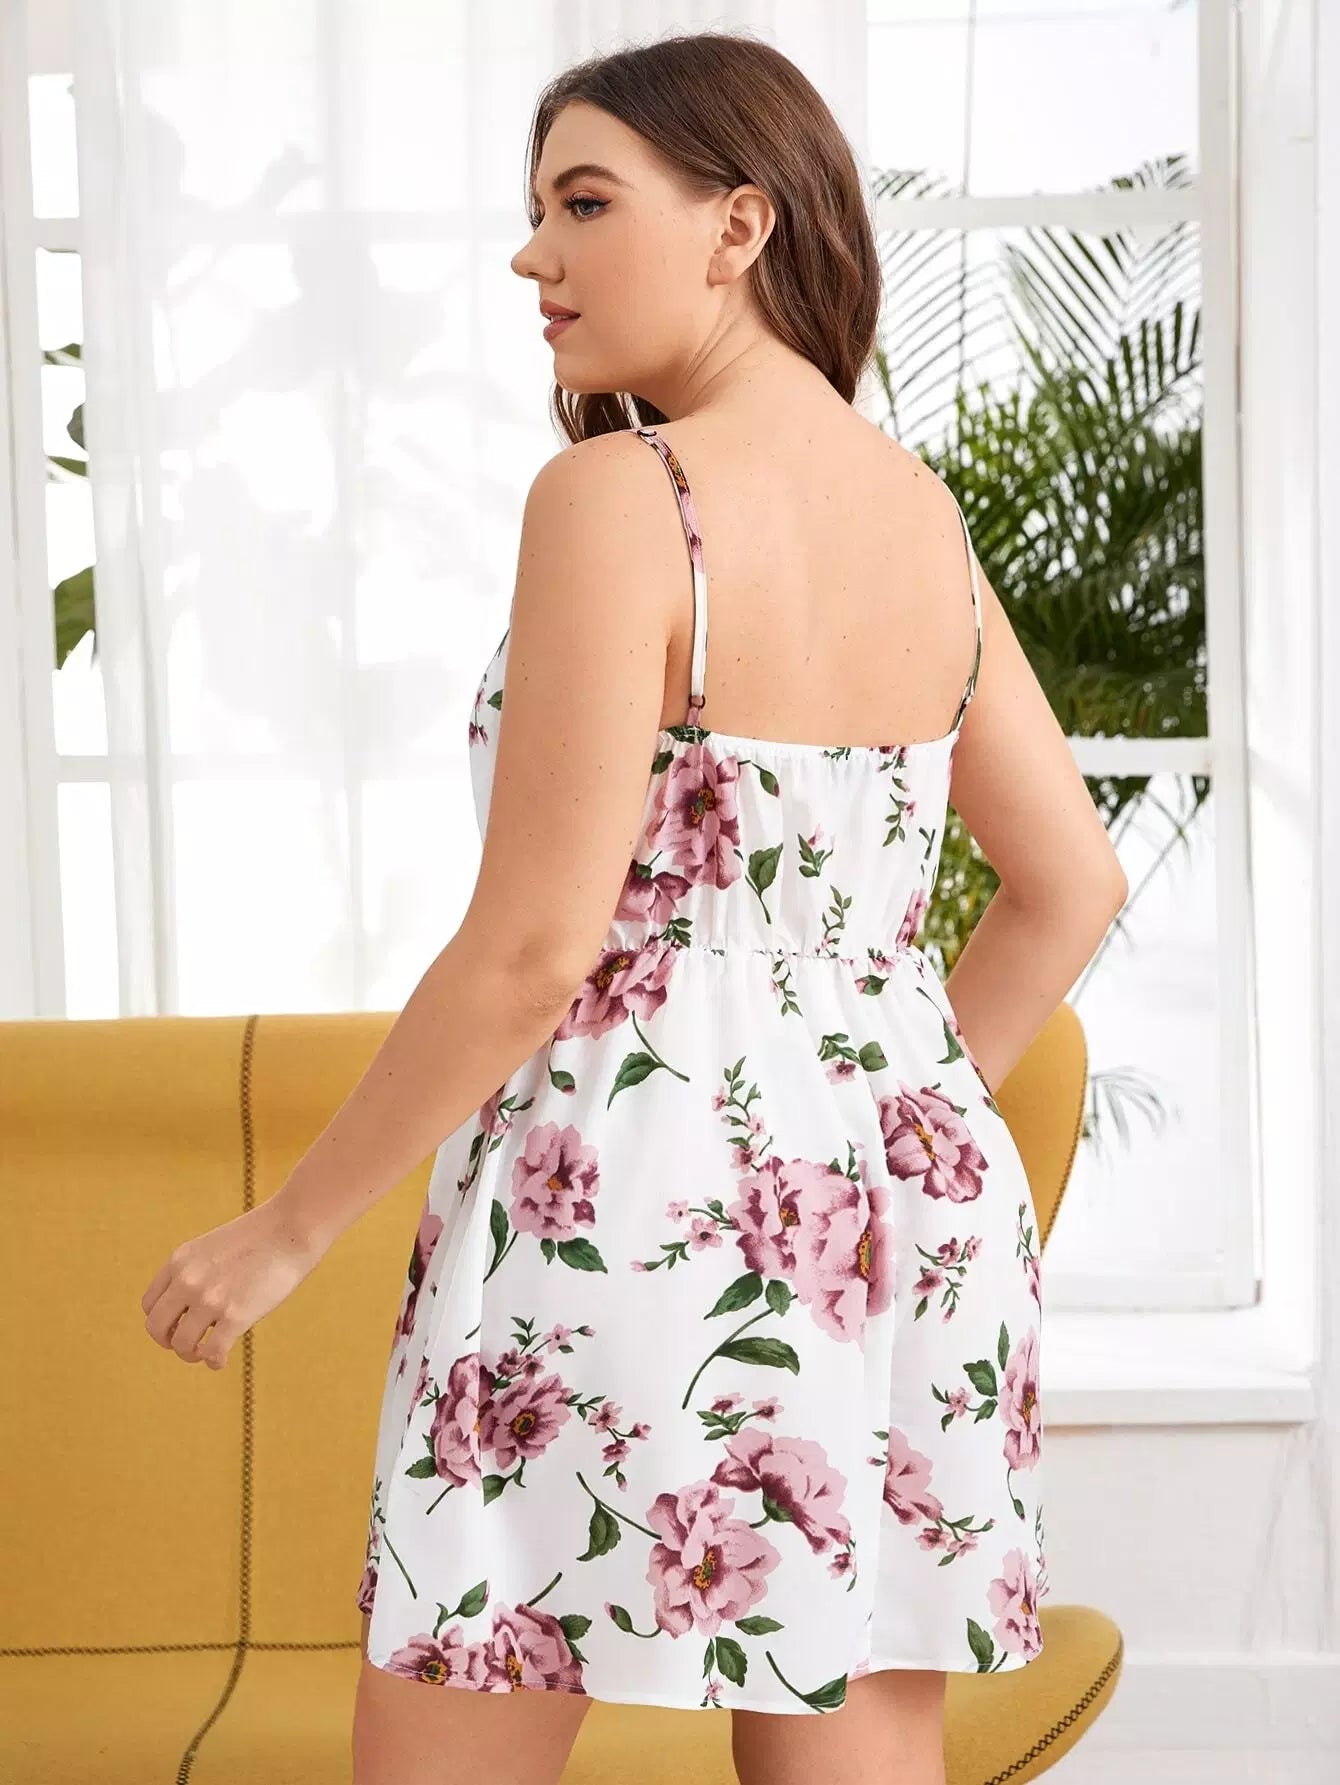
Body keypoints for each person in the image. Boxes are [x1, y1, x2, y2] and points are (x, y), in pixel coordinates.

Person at [140, 29, 1127, 1785]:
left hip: (626, 1204)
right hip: (895, 1232)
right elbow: (1071, 886)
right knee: (852, 1741)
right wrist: (855, 1120)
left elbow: (535, 951)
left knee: (462, 1725)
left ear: (741, 223)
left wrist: (285, 1228)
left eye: (585, 204)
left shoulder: (622, 497)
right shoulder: (922, 517)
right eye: (536, 212)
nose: (536, 256)